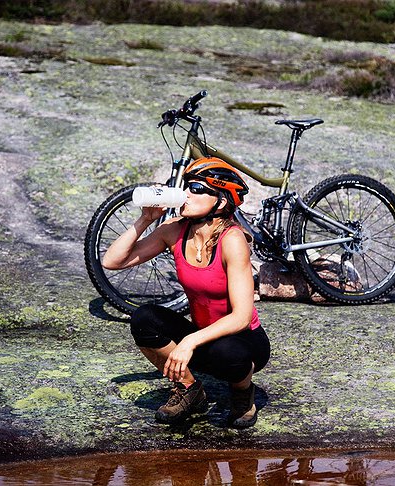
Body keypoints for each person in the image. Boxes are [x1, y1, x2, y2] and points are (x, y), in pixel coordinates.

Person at [102, 157, 270, 428]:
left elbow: (240, 317)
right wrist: (145, 220)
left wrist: (188, 342)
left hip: (244, 342)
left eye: (197, 189)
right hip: (202, 338)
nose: (187, 194)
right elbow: (112, 261)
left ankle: (242, 392)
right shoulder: (174, 231)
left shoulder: (233, 240)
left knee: (226, 353)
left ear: (222, 201)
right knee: (143, 318)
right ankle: (190, 389)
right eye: (187, 187)